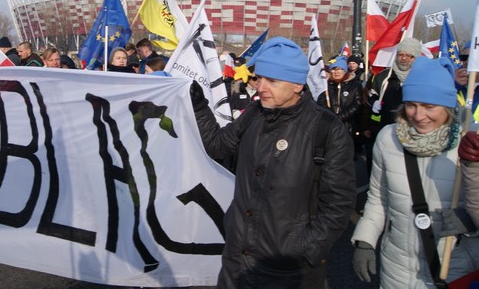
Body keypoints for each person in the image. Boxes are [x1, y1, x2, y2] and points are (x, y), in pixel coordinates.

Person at [190, 37, 356, 288]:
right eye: (260, 78)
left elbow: (338, 202)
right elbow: (218, 145)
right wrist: (198, 105)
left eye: (273, 81)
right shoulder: (255, 114)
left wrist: (305, 250)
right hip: (237, 259)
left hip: (288, 268)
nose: (261, 87)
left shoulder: (326, 129)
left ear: (298, 85)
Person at [352, 57, 477, 287]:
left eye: (430, 107)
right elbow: (379, 199)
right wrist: (365, 240)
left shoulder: (469, 143)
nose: (418, 116)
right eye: (411, 105)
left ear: (448, 107)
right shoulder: (388, 139)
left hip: (454, 267)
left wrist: (470, 222)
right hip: (396, 268)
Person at [317, 56, 363, 154]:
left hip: (348, 125)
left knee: (346, 154)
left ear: (345, 70)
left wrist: (340, 117)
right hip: (329, 124)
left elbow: (357, 104)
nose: (336, 72)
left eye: (339, 69)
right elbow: (321, 102)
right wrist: (332, 116)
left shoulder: (355, 85)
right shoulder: (325, 85)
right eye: (333, 69)